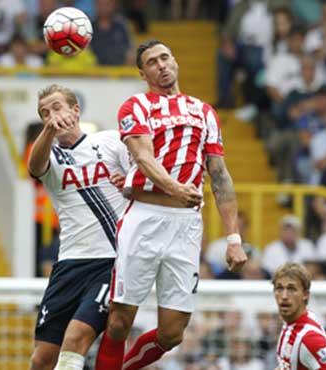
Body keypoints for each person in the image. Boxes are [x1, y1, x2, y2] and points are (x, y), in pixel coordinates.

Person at [95, 40, 248, 370]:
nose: (161, 65)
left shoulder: (204, 112)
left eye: (165, 57)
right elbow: (143, 157)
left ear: (175, 62)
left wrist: (233, 238)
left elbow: (219, 174)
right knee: (120, 321)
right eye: (152, 61)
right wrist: (175, 188)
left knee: (173, 333)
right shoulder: (136, 106)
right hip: (146, 217)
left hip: (186, 226)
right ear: (143, 72)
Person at [27, 84, 130, 370]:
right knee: (42, 359)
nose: (52, 115)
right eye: (44, 112)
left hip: (110, 261)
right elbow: (34, 167)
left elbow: (142, 174)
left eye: (57, 107)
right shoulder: (50, 156)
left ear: (76, 110)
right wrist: (48, 130)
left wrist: (131, 183)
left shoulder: (110, 141)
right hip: (69, 264)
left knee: (76, 338)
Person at [273, 263, 326, 370]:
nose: (284, 296)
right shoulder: (291, 321)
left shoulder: (309, 338)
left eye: (291, 289)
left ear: (305, 295)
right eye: (279, 288)